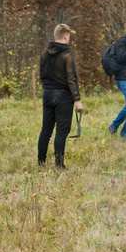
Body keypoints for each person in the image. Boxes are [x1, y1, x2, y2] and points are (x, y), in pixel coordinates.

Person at [37, 23, 83, 169]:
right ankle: (59, 165)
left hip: (47, 94)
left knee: (46, 129)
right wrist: (78, 100)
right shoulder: (68, 54)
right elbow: (72, 78)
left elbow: (41, 76)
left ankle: (41, 162)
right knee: (61, 131)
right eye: (69, 36)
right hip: (63, 96)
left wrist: (47, 90)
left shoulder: (44, 53)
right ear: (65, 36)